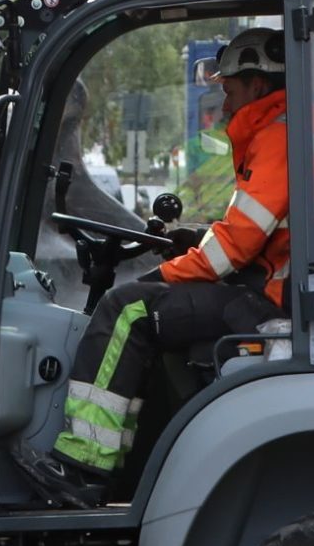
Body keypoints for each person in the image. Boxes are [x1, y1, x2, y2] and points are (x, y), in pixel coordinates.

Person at [19, 27, 291, 506]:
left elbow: (235, 248)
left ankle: (83, 469)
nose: (224, 107)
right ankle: (114, 467)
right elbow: (259, 232)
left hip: (269, 302)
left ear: (257, 85)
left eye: (229, 92)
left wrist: (162, 274)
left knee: (125, 309)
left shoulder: (278, 137)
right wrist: (194, 238)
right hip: (274, 289)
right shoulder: (290, 131)